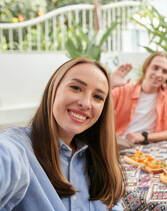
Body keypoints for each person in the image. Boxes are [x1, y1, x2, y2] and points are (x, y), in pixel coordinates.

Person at [0, 57, 125, 210]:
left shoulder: (103, 163)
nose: (86, 103)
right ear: (54, 89)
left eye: (98, 97)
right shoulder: (16, 148)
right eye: (76, 88)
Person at [111, 52, 167, 145]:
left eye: (164, 71)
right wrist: (110, 86)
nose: (158, 74)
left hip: (151, 146)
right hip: (122, 142)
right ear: (146, 67)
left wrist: (144, 136)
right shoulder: (123, 89)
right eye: (155, 68)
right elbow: (99, 113)